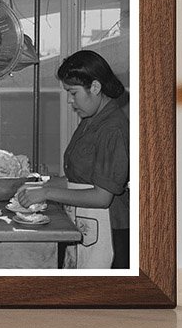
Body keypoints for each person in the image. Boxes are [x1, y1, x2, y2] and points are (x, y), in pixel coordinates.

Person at [15, 50, 129, 269]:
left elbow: (102, 197)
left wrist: (46, 192)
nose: (69, 100)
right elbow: (77, 179)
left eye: (73, 93)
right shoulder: (91, 120)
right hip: (89, 221)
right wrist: (37, 184)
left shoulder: (112, 128)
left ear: (95, 87)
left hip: (109, 231)